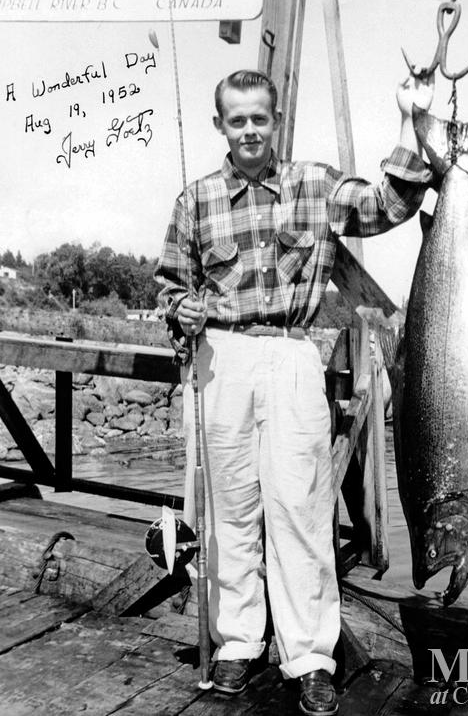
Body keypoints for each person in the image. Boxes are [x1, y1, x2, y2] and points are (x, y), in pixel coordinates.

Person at [155, 68, 435, 716]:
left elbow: (388, 206)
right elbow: (171, 283)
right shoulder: (193, 201)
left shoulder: (314, 182)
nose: (249, 129)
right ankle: (237, 641)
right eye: (237, 119)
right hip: (219, 357)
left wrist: (406, 119)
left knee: (301, 507)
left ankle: (308, 654)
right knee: (229, 510)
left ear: (273, 120)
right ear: (219, 125)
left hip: (291, 354)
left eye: (259, 117)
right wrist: (184, 310)